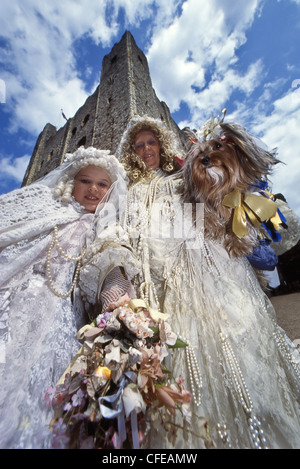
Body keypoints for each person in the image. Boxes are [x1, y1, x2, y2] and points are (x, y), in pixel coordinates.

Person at [79, 116, 300, 449]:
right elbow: (111, 230)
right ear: (131, 152)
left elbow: (216, 195)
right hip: (155, 277)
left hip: (205, 267)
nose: (145, 149)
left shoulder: (182, 177)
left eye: (151, 142)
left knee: (234, 335)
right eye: (138, 145)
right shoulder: (125, 191)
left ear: (162, 144)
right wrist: (115, 274)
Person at [0, 146, 127, 449]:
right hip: (18, 298)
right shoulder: (48, 209)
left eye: (102, 184)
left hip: (62, 314)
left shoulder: (104, 228)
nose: (93, 189)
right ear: (71, 182)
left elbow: (111, 262)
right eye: (85, 181)